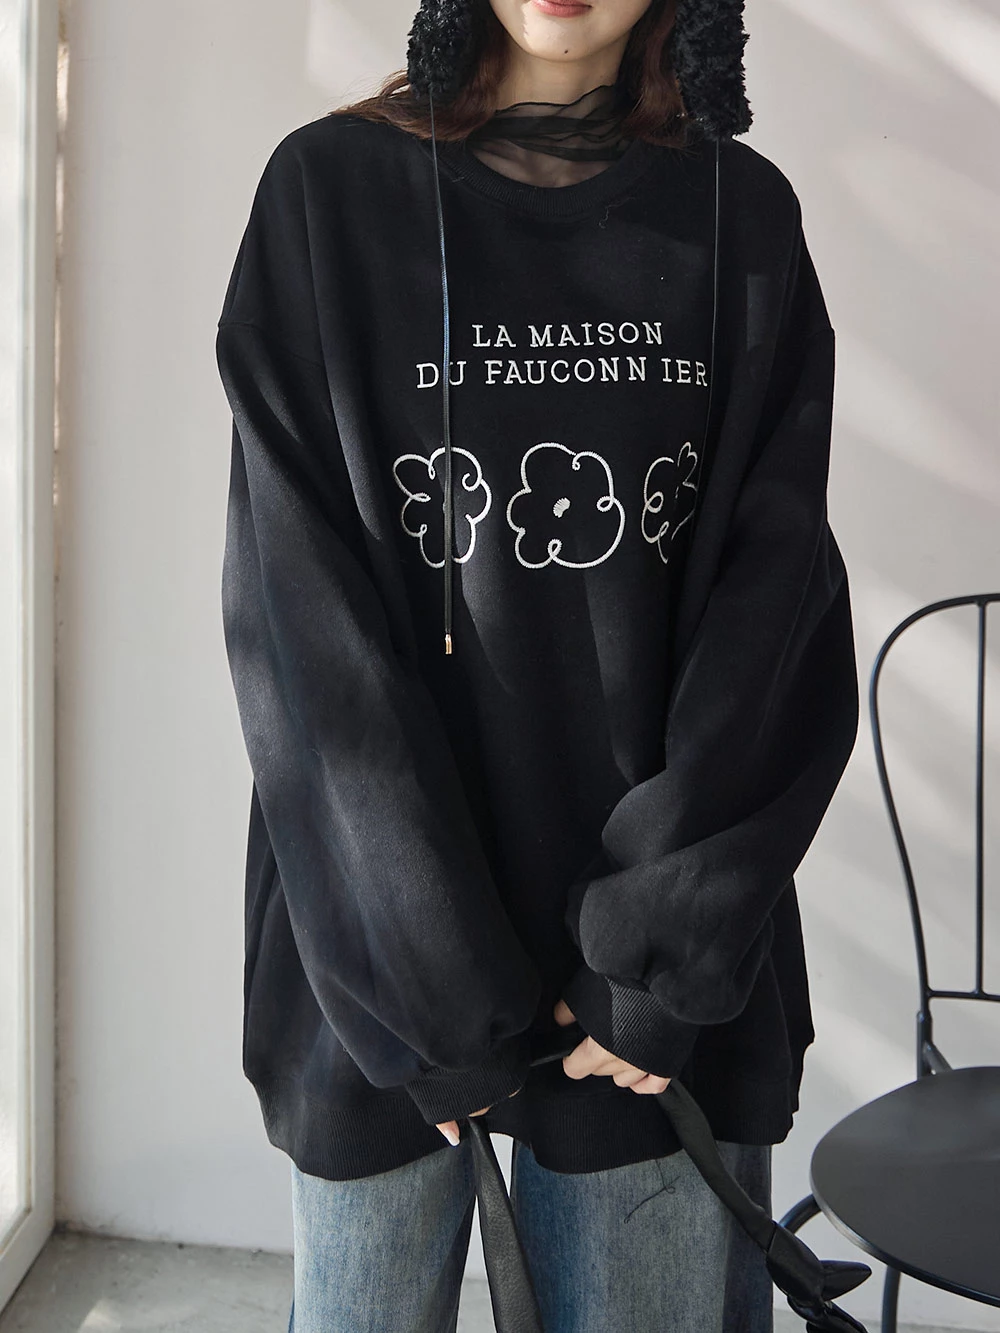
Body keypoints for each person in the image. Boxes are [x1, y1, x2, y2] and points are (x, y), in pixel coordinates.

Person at [215, 0, 859, 1327]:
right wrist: (425, 989)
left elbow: (778, 614)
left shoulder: (741, 216)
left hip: (650, 957)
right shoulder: (327, 196)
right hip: (378, 954)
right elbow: (297, 626)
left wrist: (651, 959)